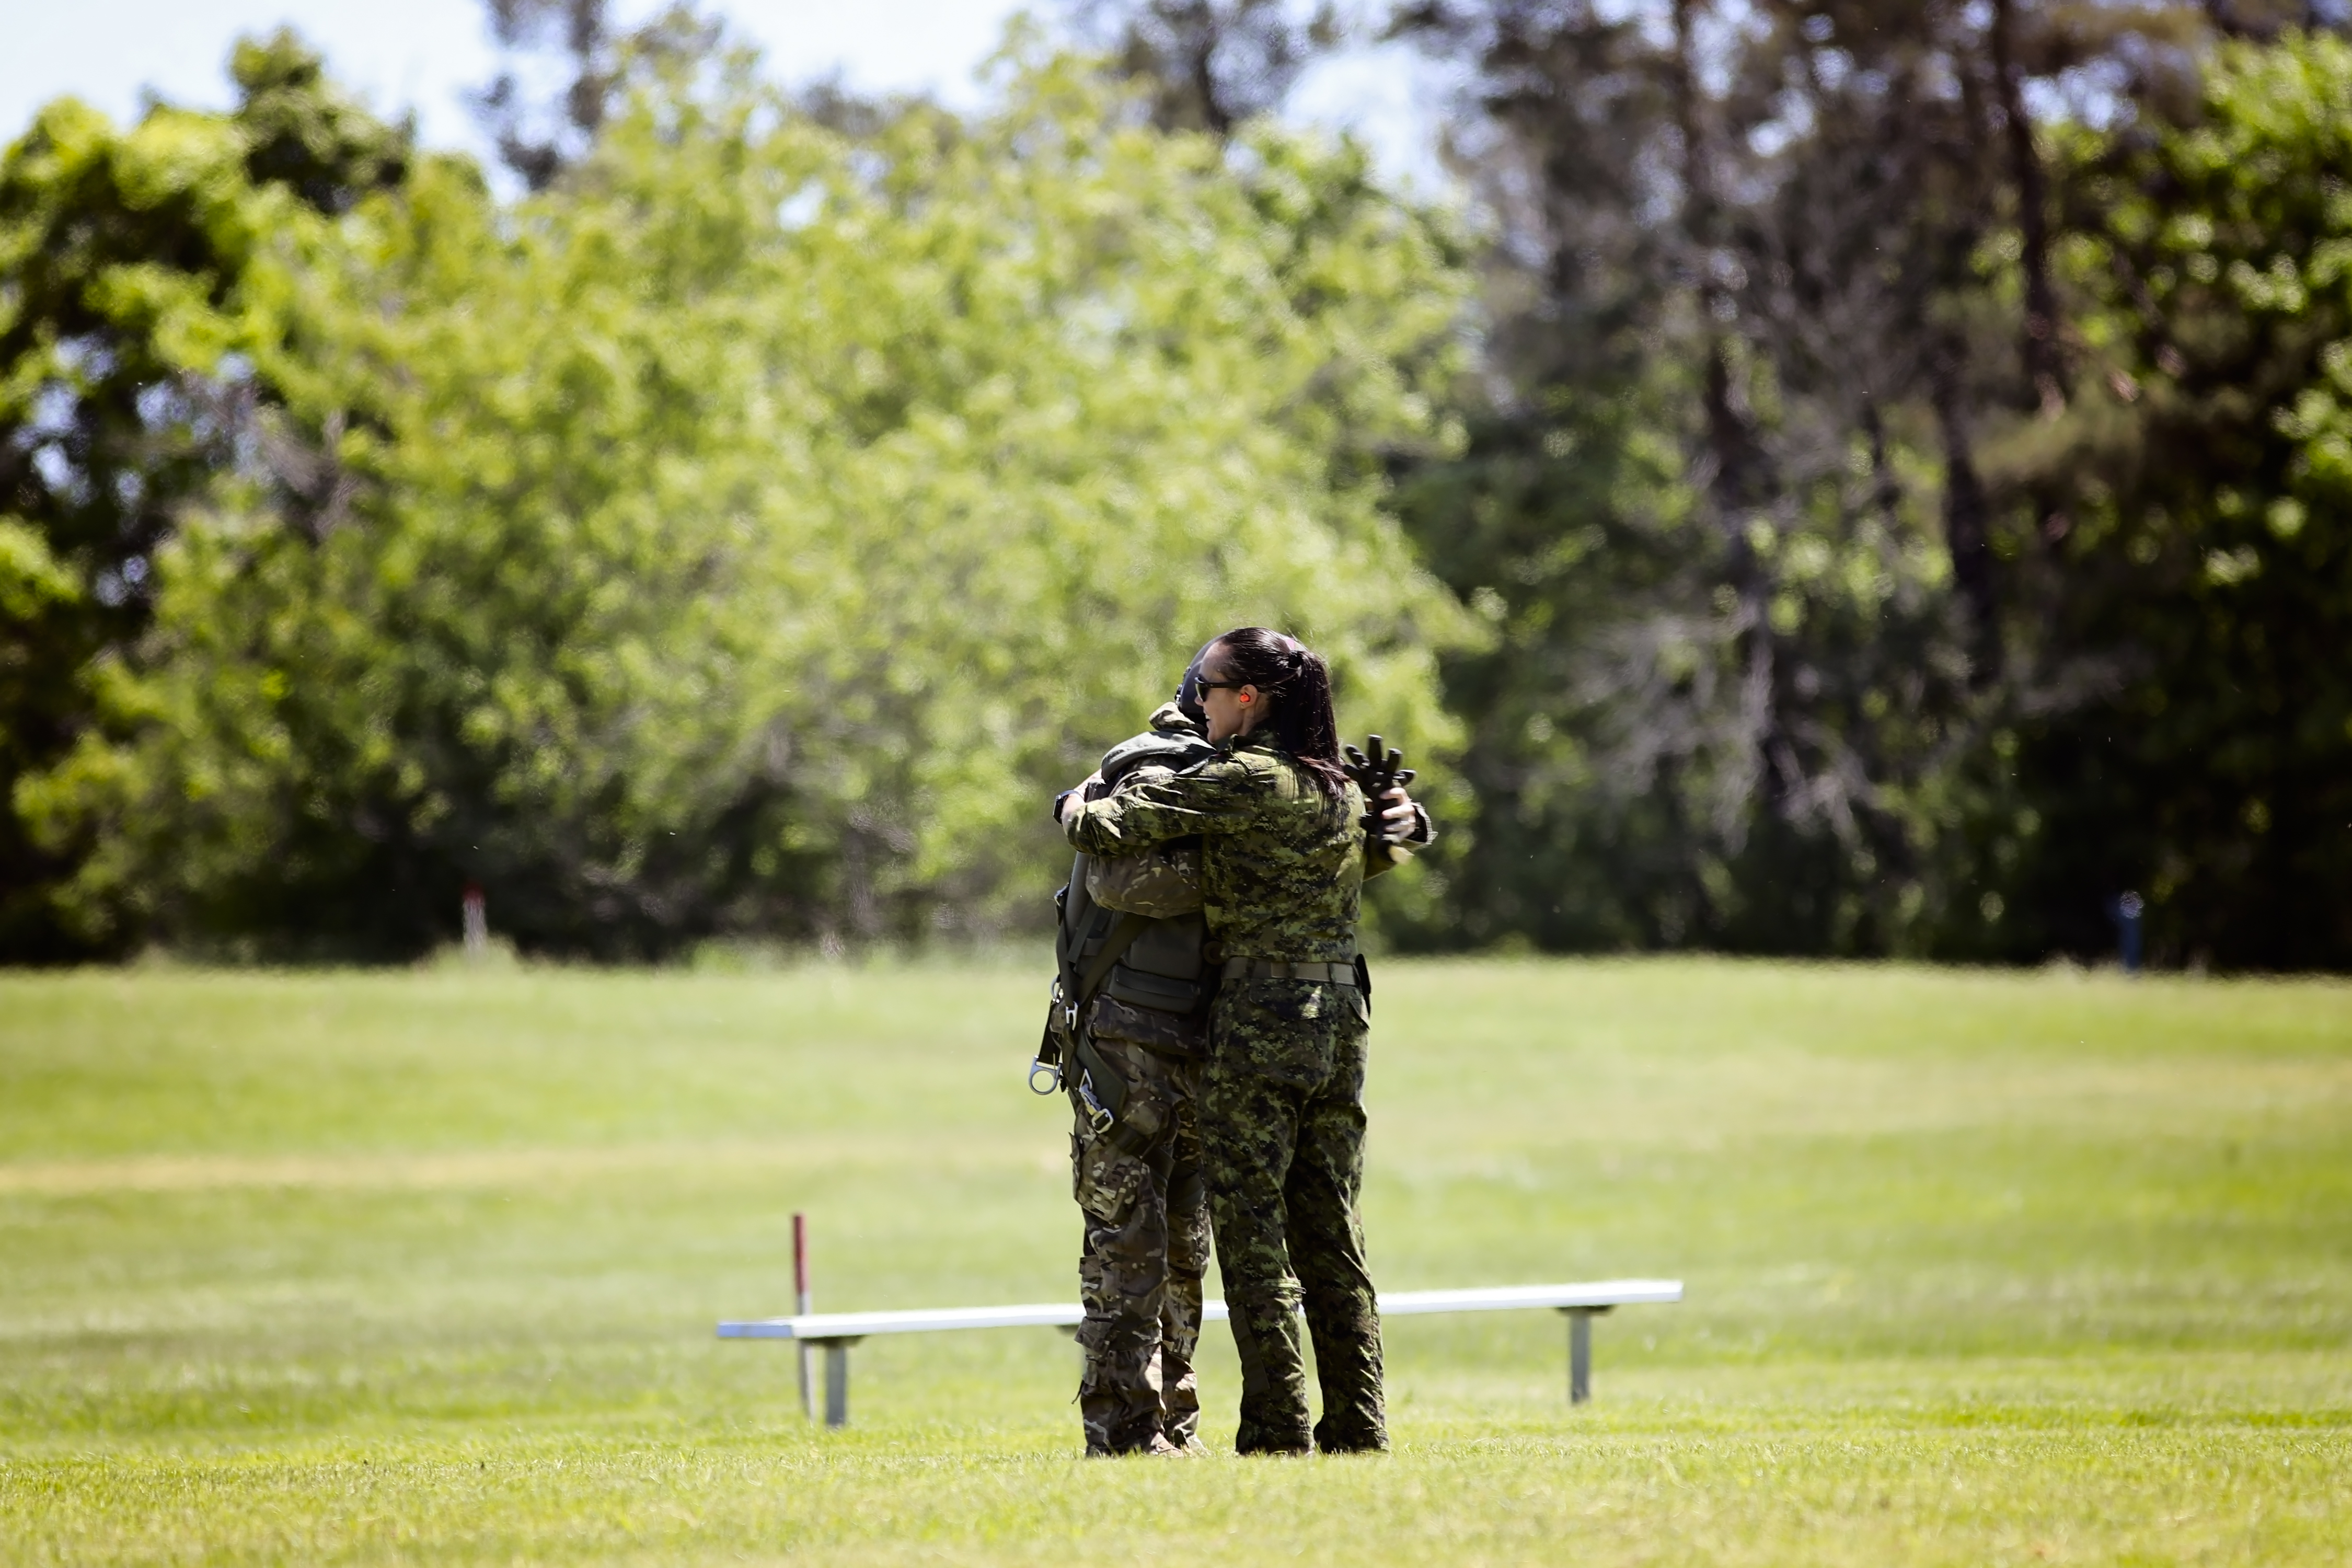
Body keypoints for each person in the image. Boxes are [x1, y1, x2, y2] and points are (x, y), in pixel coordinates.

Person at [1058, 628, 1430, 1455]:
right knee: (1332, 1232)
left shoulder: (1243, 779)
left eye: (1214, 686)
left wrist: (1074, 803)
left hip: (1260, 1020)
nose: (1203, 699)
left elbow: (1105, 832)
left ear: (1249, 699)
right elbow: (1393, 840)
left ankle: (1276, 1426)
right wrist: (1408, 820)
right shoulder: (1335, 786)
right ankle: (1359, 1424)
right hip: (1342, 1022)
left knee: (1252, 1233)